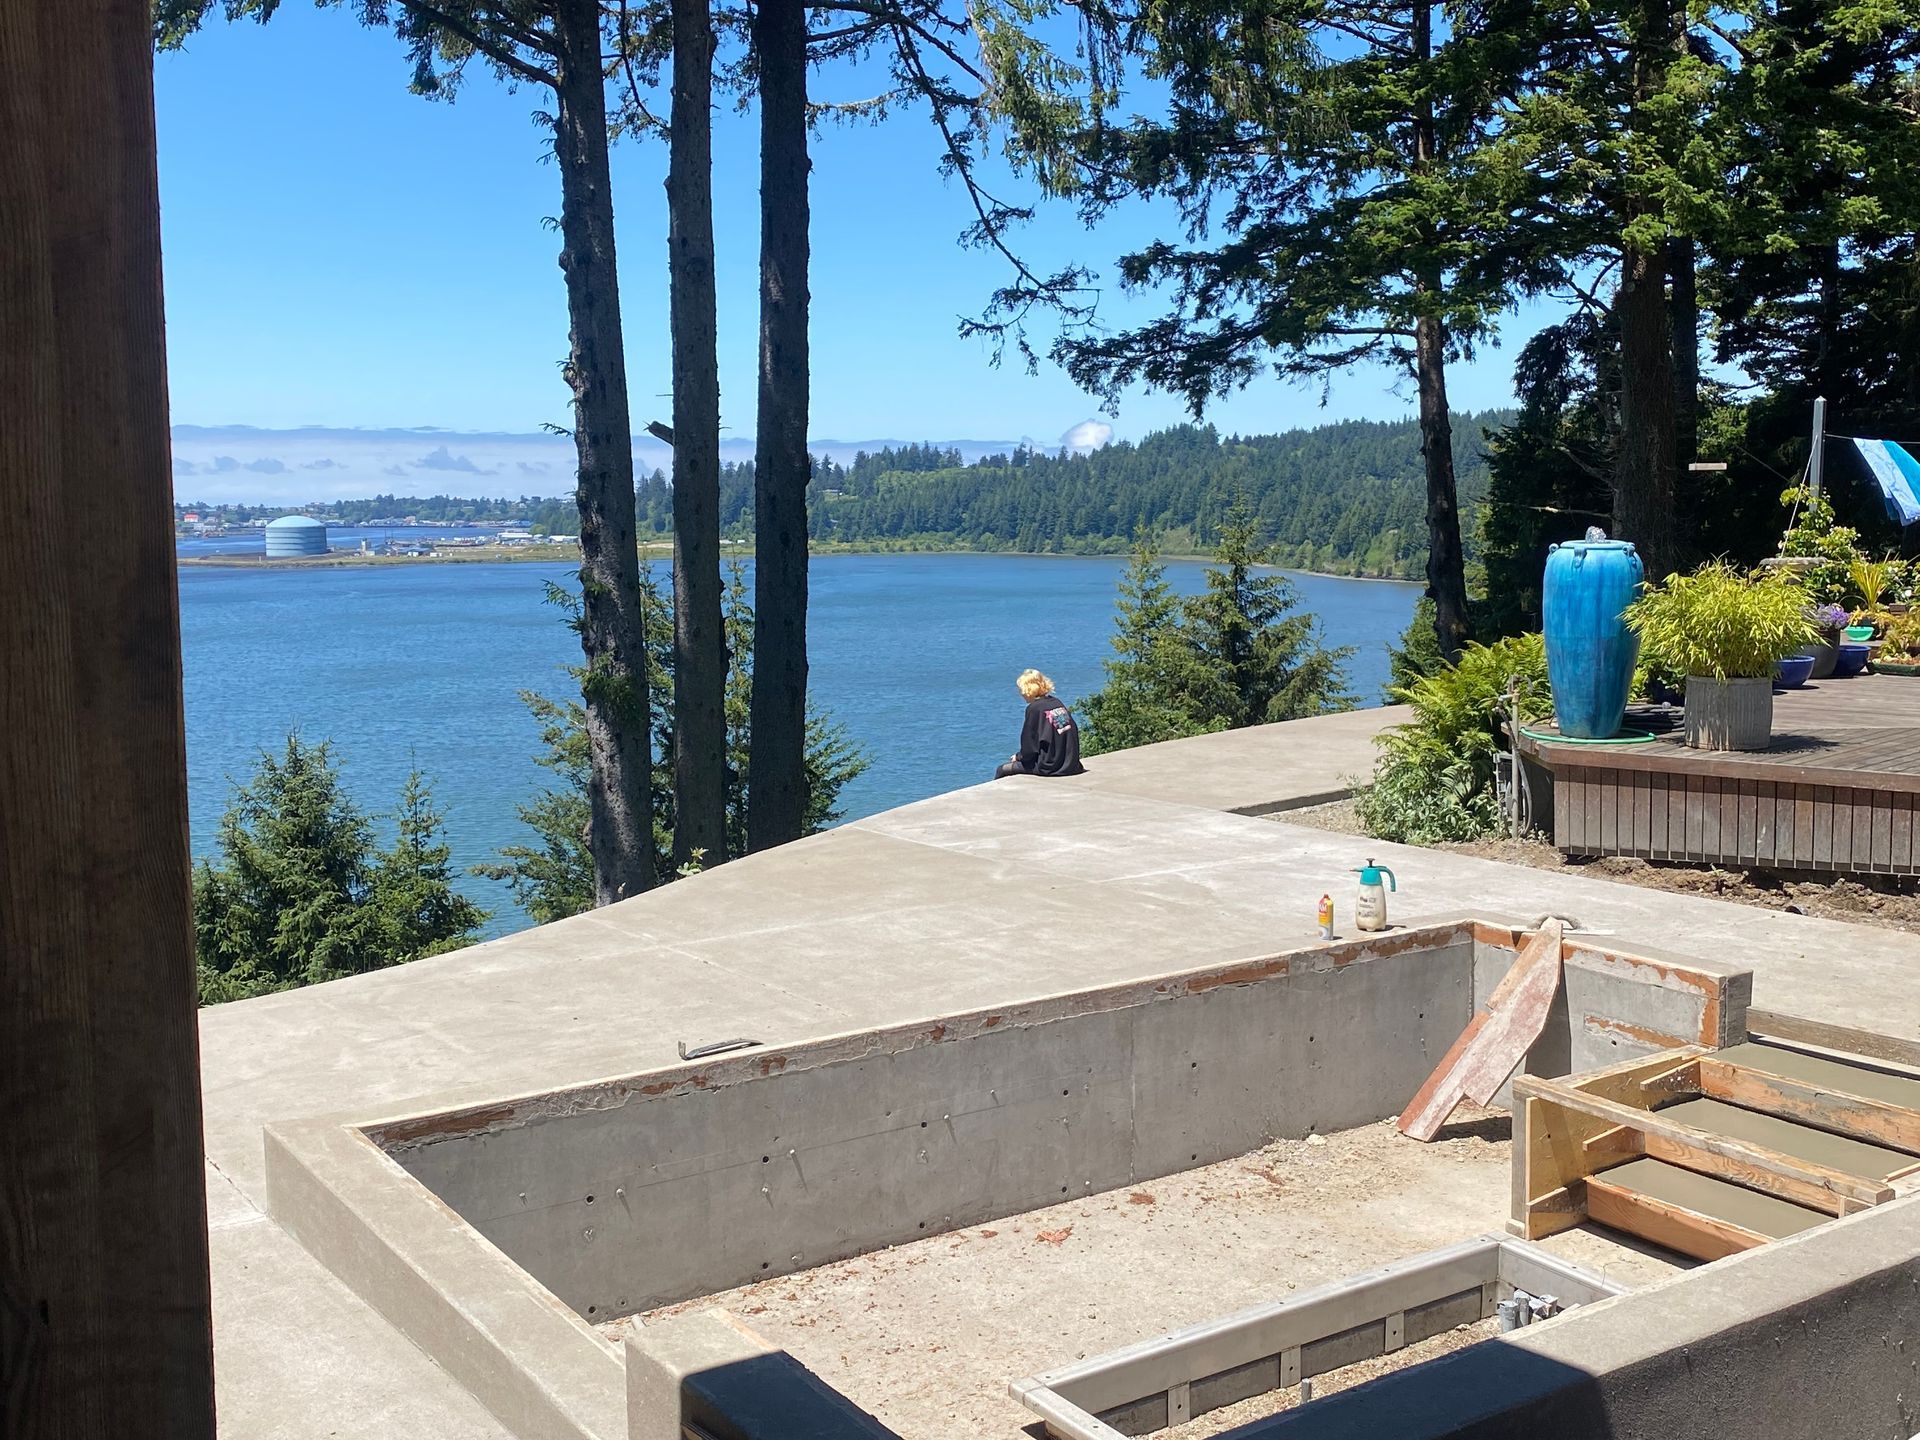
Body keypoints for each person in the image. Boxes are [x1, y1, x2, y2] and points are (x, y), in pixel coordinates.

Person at [994, 669, 1085, 779]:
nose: (1021, 694)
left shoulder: (1034, 709)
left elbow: (1029, 746)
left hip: (1050, 767)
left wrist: (1018, 757)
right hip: (1071, 764)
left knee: (1002, 770)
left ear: (1027, 690)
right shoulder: (1056, 702)